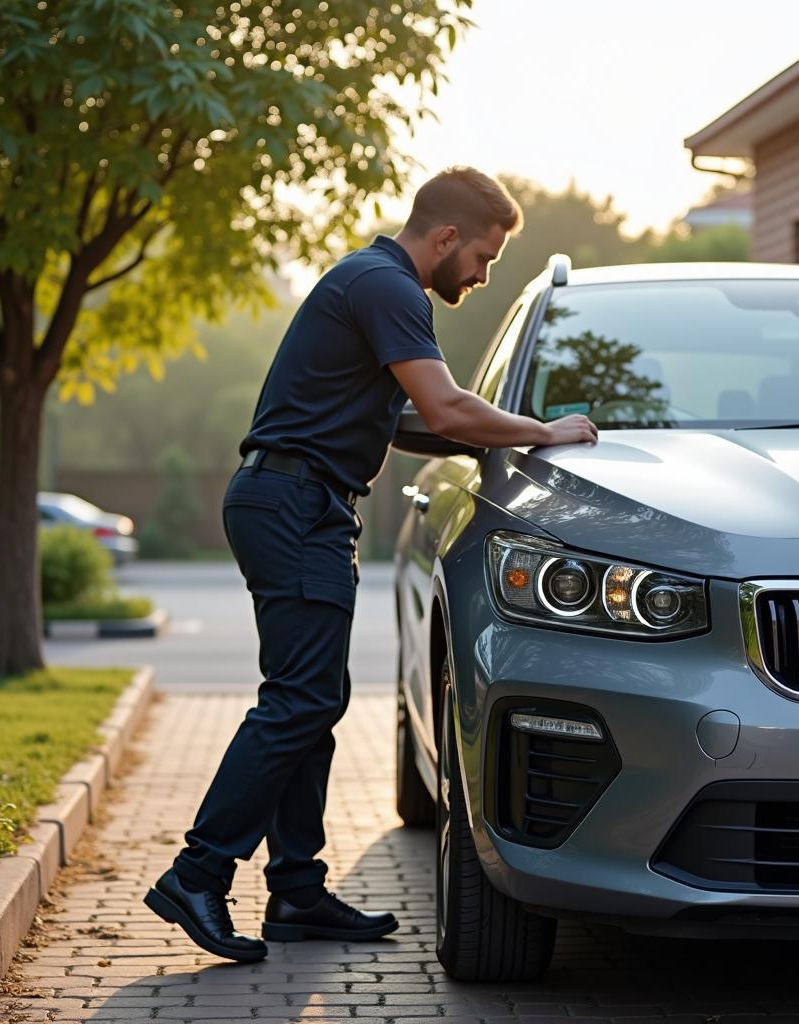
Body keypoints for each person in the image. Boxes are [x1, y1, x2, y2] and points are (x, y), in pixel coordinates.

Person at [144, 167, 599, 962]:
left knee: (313, 699)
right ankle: (198, 873)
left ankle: (296, 892)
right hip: (294, 505)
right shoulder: (390, 288)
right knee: (300, 701)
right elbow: (446, 407)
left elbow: (410, 425)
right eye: (485, 257)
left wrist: (488, 438)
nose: (484, 274)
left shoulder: (366, 280)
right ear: (447, 237)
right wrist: (545, 432)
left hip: (295, 504)